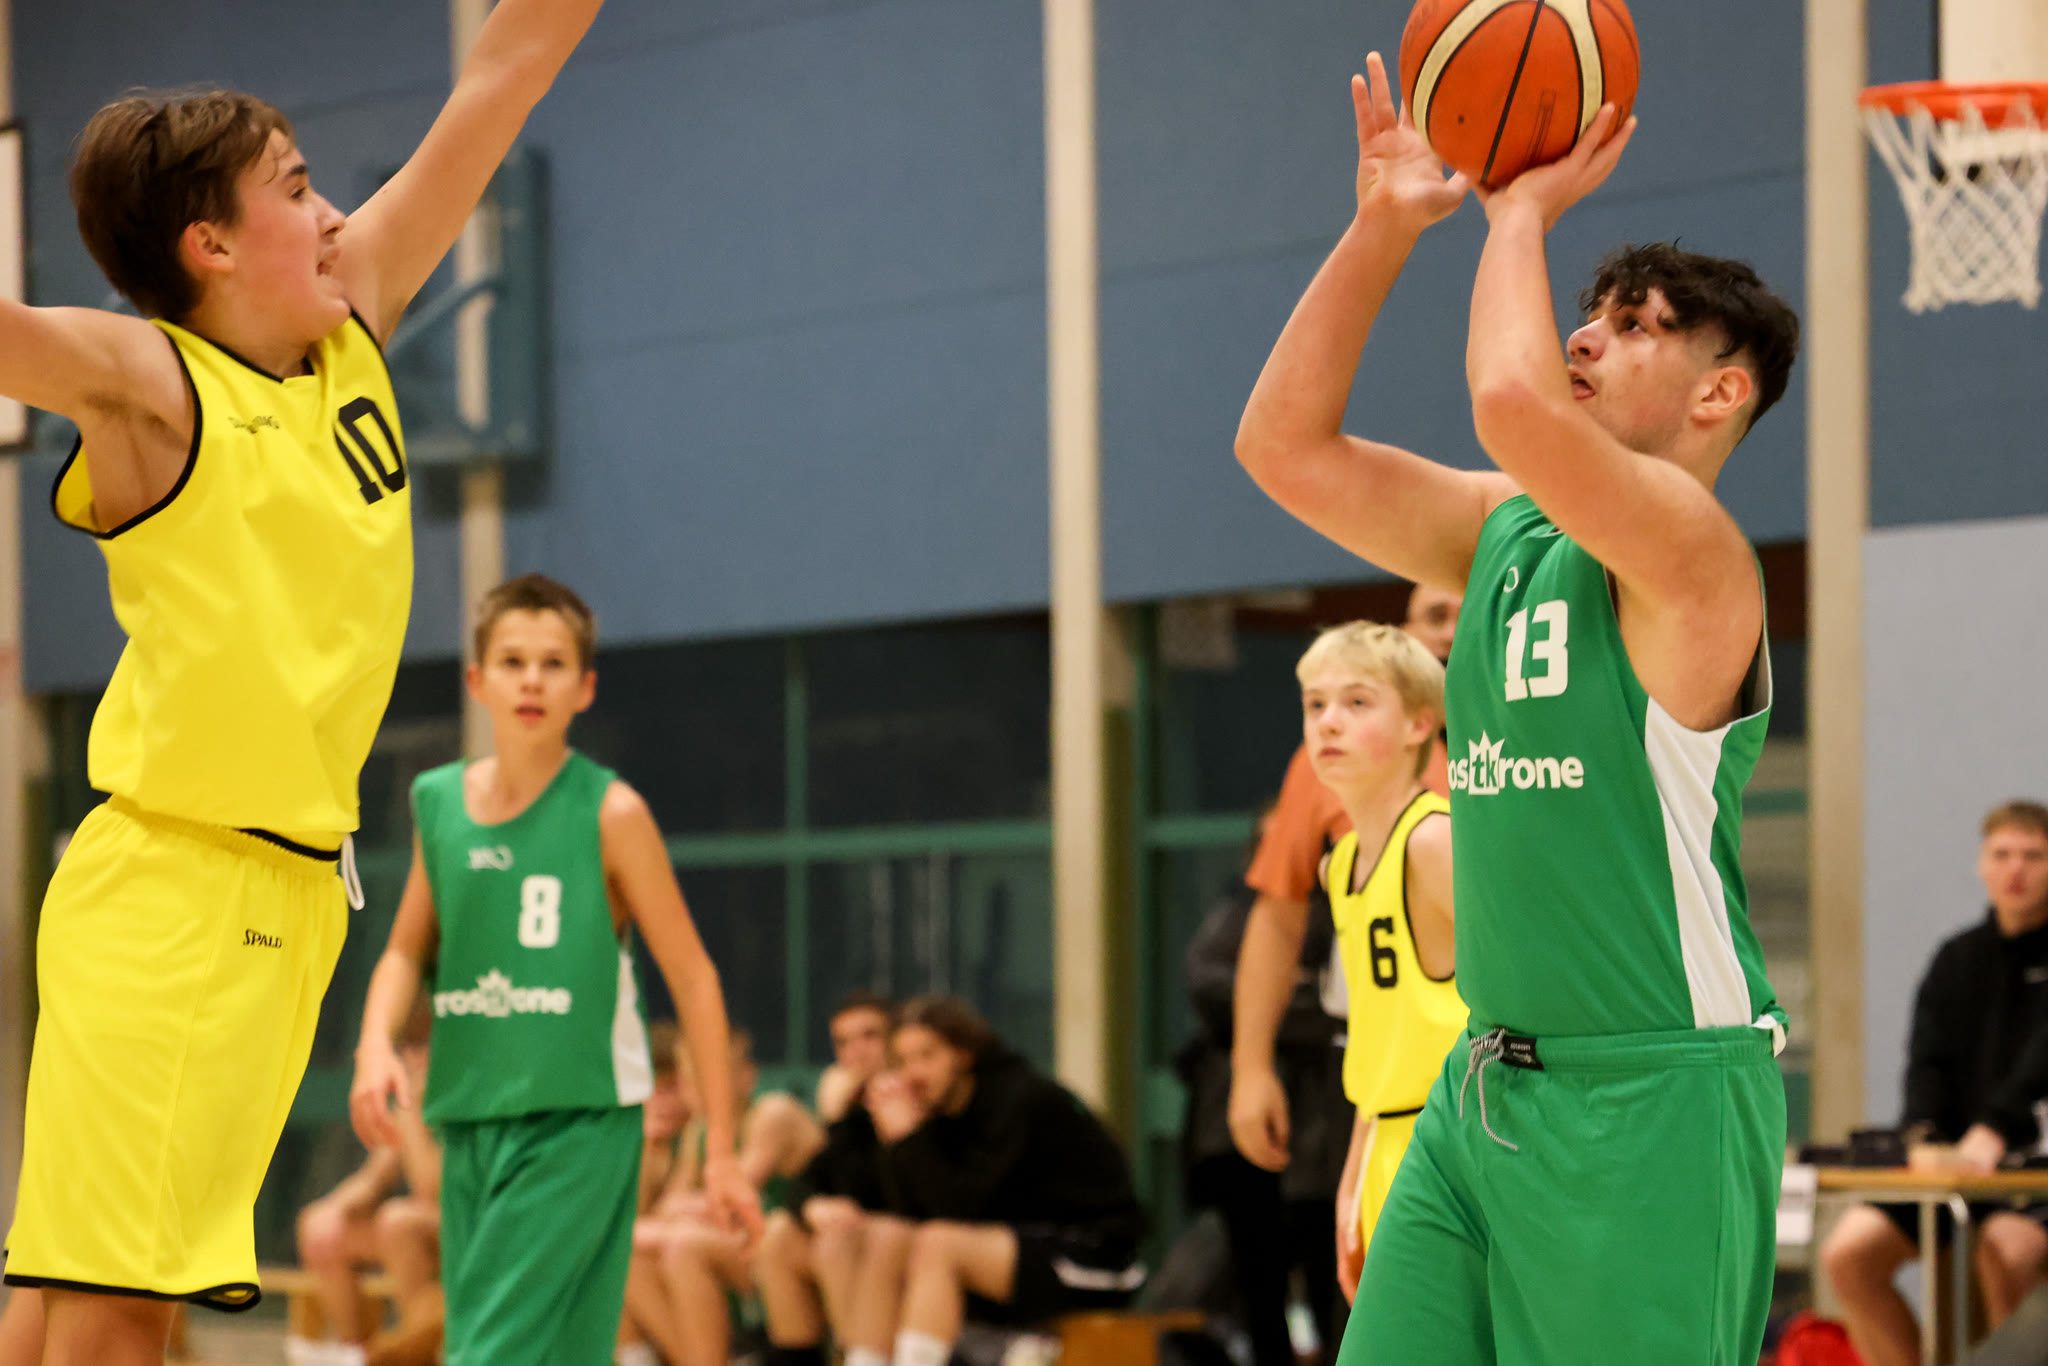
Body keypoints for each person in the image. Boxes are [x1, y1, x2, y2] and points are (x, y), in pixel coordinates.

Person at [0, 6, 612, 1364]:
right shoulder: (152, 384)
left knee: (67, 1289)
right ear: (208, 246)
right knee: (116, 1307)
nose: (335, 213)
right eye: (295, 188)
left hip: (278, 897)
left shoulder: (351, 327)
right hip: (176, 893)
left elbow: (505, 75)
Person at [1235, 54, 1800, 1366]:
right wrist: (1382, 229)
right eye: (1586, 314)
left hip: (1649, 1095)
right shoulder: (1506, 528)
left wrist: (1519, 211)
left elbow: (1508, 399)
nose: (1586, 335)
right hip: (1482, 1089)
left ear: (1720, 392)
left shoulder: (1698, 557)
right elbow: (1281, 449)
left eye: (1635, 324)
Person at [350, 574, 761, 1366]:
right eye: (513, 662)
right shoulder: (439, 803)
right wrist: (374, 1043)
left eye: (553, 663)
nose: (532, 680)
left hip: (580, 1124)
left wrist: (720, 1150)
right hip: (472, 1119)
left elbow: (694, 978)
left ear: (585, 687)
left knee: (487, 1356)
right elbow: (404, 949)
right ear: (478, 681)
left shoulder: (613, 813)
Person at [1821, 801, 2048, 1366]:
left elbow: (2039, 1064)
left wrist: (1996, 1128)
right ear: (1982, 865)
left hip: (2031, 1172)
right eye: (2003, 855)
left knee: (2006, 1253)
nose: (2016, 870)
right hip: (1956, 1166)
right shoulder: (1957, 959)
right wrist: (1922, 1136)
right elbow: (1927, 1062)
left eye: (2033, 856)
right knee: (1849, 1254)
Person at [1294, 623, 1460, 1302]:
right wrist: (1353, 1178)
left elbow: (1534, 994)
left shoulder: (1435, 842)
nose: (1329, 721)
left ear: (1420, 723)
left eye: (1357, 702)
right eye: (1315, 704)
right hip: (1386, 1137)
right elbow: (1376, 1036)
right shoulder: (1338, 868)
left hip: (1457, 1139)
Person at [872, 996, 1145, 1366]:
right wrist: (896, 1147)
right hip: (1020, 1254)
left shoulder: (1018, 1099)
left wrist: (909, 1141)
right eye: (903, 1061)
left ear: (963, 1054)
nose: (913, 1074)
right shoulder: (938, 1113)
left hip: (1093, 1260)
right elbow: (911, 1214)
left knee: (939, 1243)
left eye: (927, 1056)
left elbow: (963, 1210)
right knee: (884, 1237)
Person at [626, 1028, 824, 1366]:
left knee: (682, 1246)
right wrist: (648, 1150)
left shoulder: (772, 1113)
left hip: (800, 1246)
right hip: (753, 1247)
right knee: (631, 1259)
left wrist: (677, 1214)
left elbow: (728, 1201)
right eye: (687, 1079)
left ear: (746, 1077)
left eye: (704, 1078)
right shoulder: (700, 1129)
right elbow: (665, 1209)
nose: (693, 1090)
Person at [754, 993, 911, 1366]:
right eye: (843, 1042)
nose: (857, 1051)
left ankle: (856, 1356)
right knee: (779, 1237)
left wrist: (839, 1119)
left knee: (836, 1239)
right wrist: (814, 1206)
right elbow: (810, 1182)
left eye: (870, 1036)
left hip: (910, 1233)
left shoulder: (915, 1095)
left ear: (897, 1039)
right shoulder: (856, 1109)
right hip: (862, 1232)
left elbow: (898, 1195)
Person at [291, 1026, 443, 1366]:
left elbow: (433, 1189)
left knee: (398, 1222)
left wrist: (414, 1115)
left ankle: (421, 1352)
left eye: (424, 1049)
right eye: (409, 1050)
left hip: (467, 1226)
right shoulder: (408, 1107)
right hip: (417, 1225)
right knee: (320, 1227)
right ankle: (355, 1351)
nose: (415, 1060)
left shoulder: (451, 1105)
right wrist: (334, 1208)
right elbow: (373, 1179)